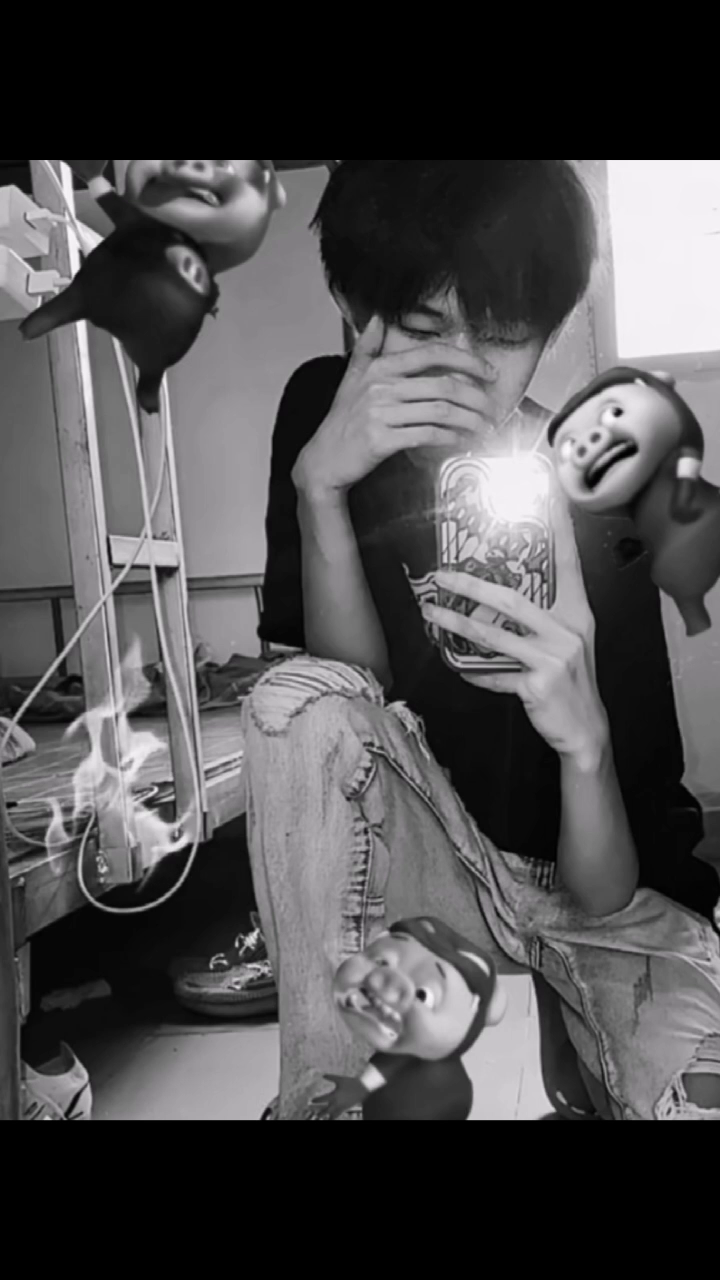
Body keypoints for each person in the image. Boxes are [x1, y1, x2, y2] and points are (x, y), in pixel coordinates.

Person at [242, 160, 720, 1121]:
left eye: (501, 340)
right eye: (423, 331)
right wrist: (320, 491)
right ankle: (334, 1098)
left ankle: (574, 1042)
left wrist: (583, 743)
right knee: (295, 702)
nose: (459, 374)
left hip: (603, 886)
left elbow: (609, 888)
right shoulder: (322, 415)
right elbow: (349, 716)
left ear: (552, 331)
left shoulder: (598, 484)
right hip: (427, 859)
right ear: (353, 308)